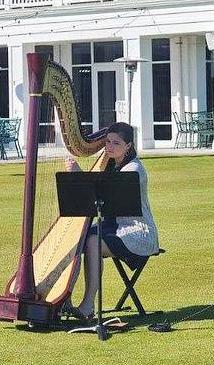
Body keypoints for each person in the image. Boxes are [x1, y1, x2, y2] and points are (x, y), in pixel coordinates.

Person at [63, 122, 159, 319]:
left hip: (137, 232)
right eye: (107, 141)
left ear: (129, 146)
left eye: (116, 143)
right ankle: (64, 298)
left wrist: (78, 175)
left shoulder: (133, 170)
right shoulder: (111, 164)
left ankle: (88, 305)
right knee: (77, 238)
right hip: (113, 227)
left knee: (91, 241)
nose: (110, 147)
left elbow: (104, 198)